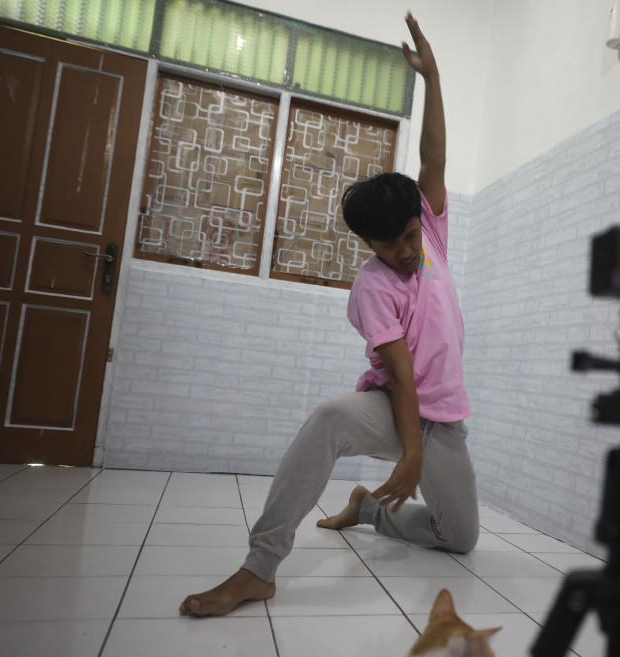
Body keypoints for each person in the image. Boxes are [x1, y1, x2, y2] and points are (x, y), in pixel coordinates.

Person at [180, 12, 479, 617]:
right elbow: (398, 373)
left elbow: (435, 160)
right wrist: (409, 453)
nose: (402, 251)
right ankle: (258, 568)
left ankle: (368, 510)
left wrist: (434, 79)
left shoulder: (432, 240)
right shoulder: (372, 287)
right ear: (366, 245)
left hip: (444, 419)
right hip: (397, 409)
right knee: (328, 419)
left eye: (406, 235)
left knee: (461, 538)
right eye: (387, 245)